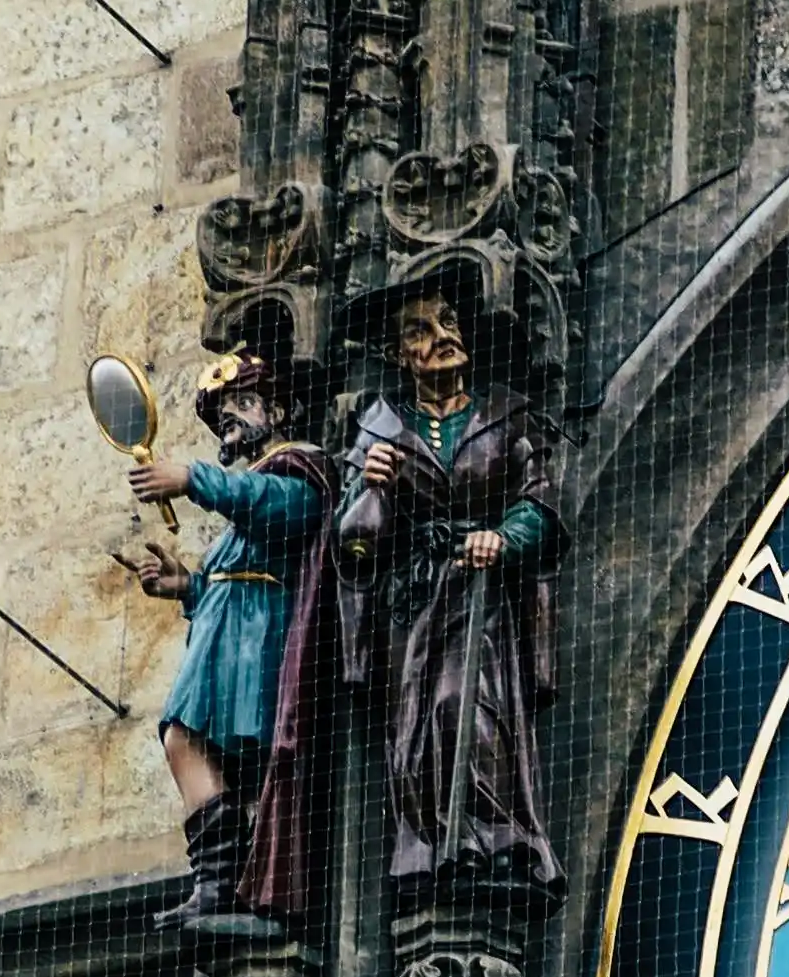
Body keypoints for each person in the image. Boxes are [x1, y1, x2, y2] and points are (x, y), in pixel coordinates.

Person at [238, 279, 565, 937]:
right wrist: (372, 489)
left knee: (467, 710)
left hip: (483, 598)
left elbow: (544, 502)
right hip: (410, 603)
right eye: (419, 330)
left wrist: (504, 537)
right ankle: (432, 845)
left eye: (447, 320)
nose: (440, 336)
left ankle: (495, 840)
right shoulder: (378, 428)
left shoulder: (508, 414)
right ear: (399, 354)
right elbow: (353, 549)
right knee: (416, 729)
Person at [118, 351, 331, 935]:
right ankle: (218, 879)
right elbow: (234, 566)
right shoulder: (250, 489)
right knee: (183, 740)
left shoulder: (300, 468)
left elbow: (286, 513)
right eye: (221, 414)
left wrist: (192, 479)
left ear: (279, 409)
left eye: (239, 405)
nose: (228, 420)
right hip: (223, 640)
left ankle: (253, 887)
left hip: (265, 641)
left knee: (255, 759)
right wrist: (186, 586)